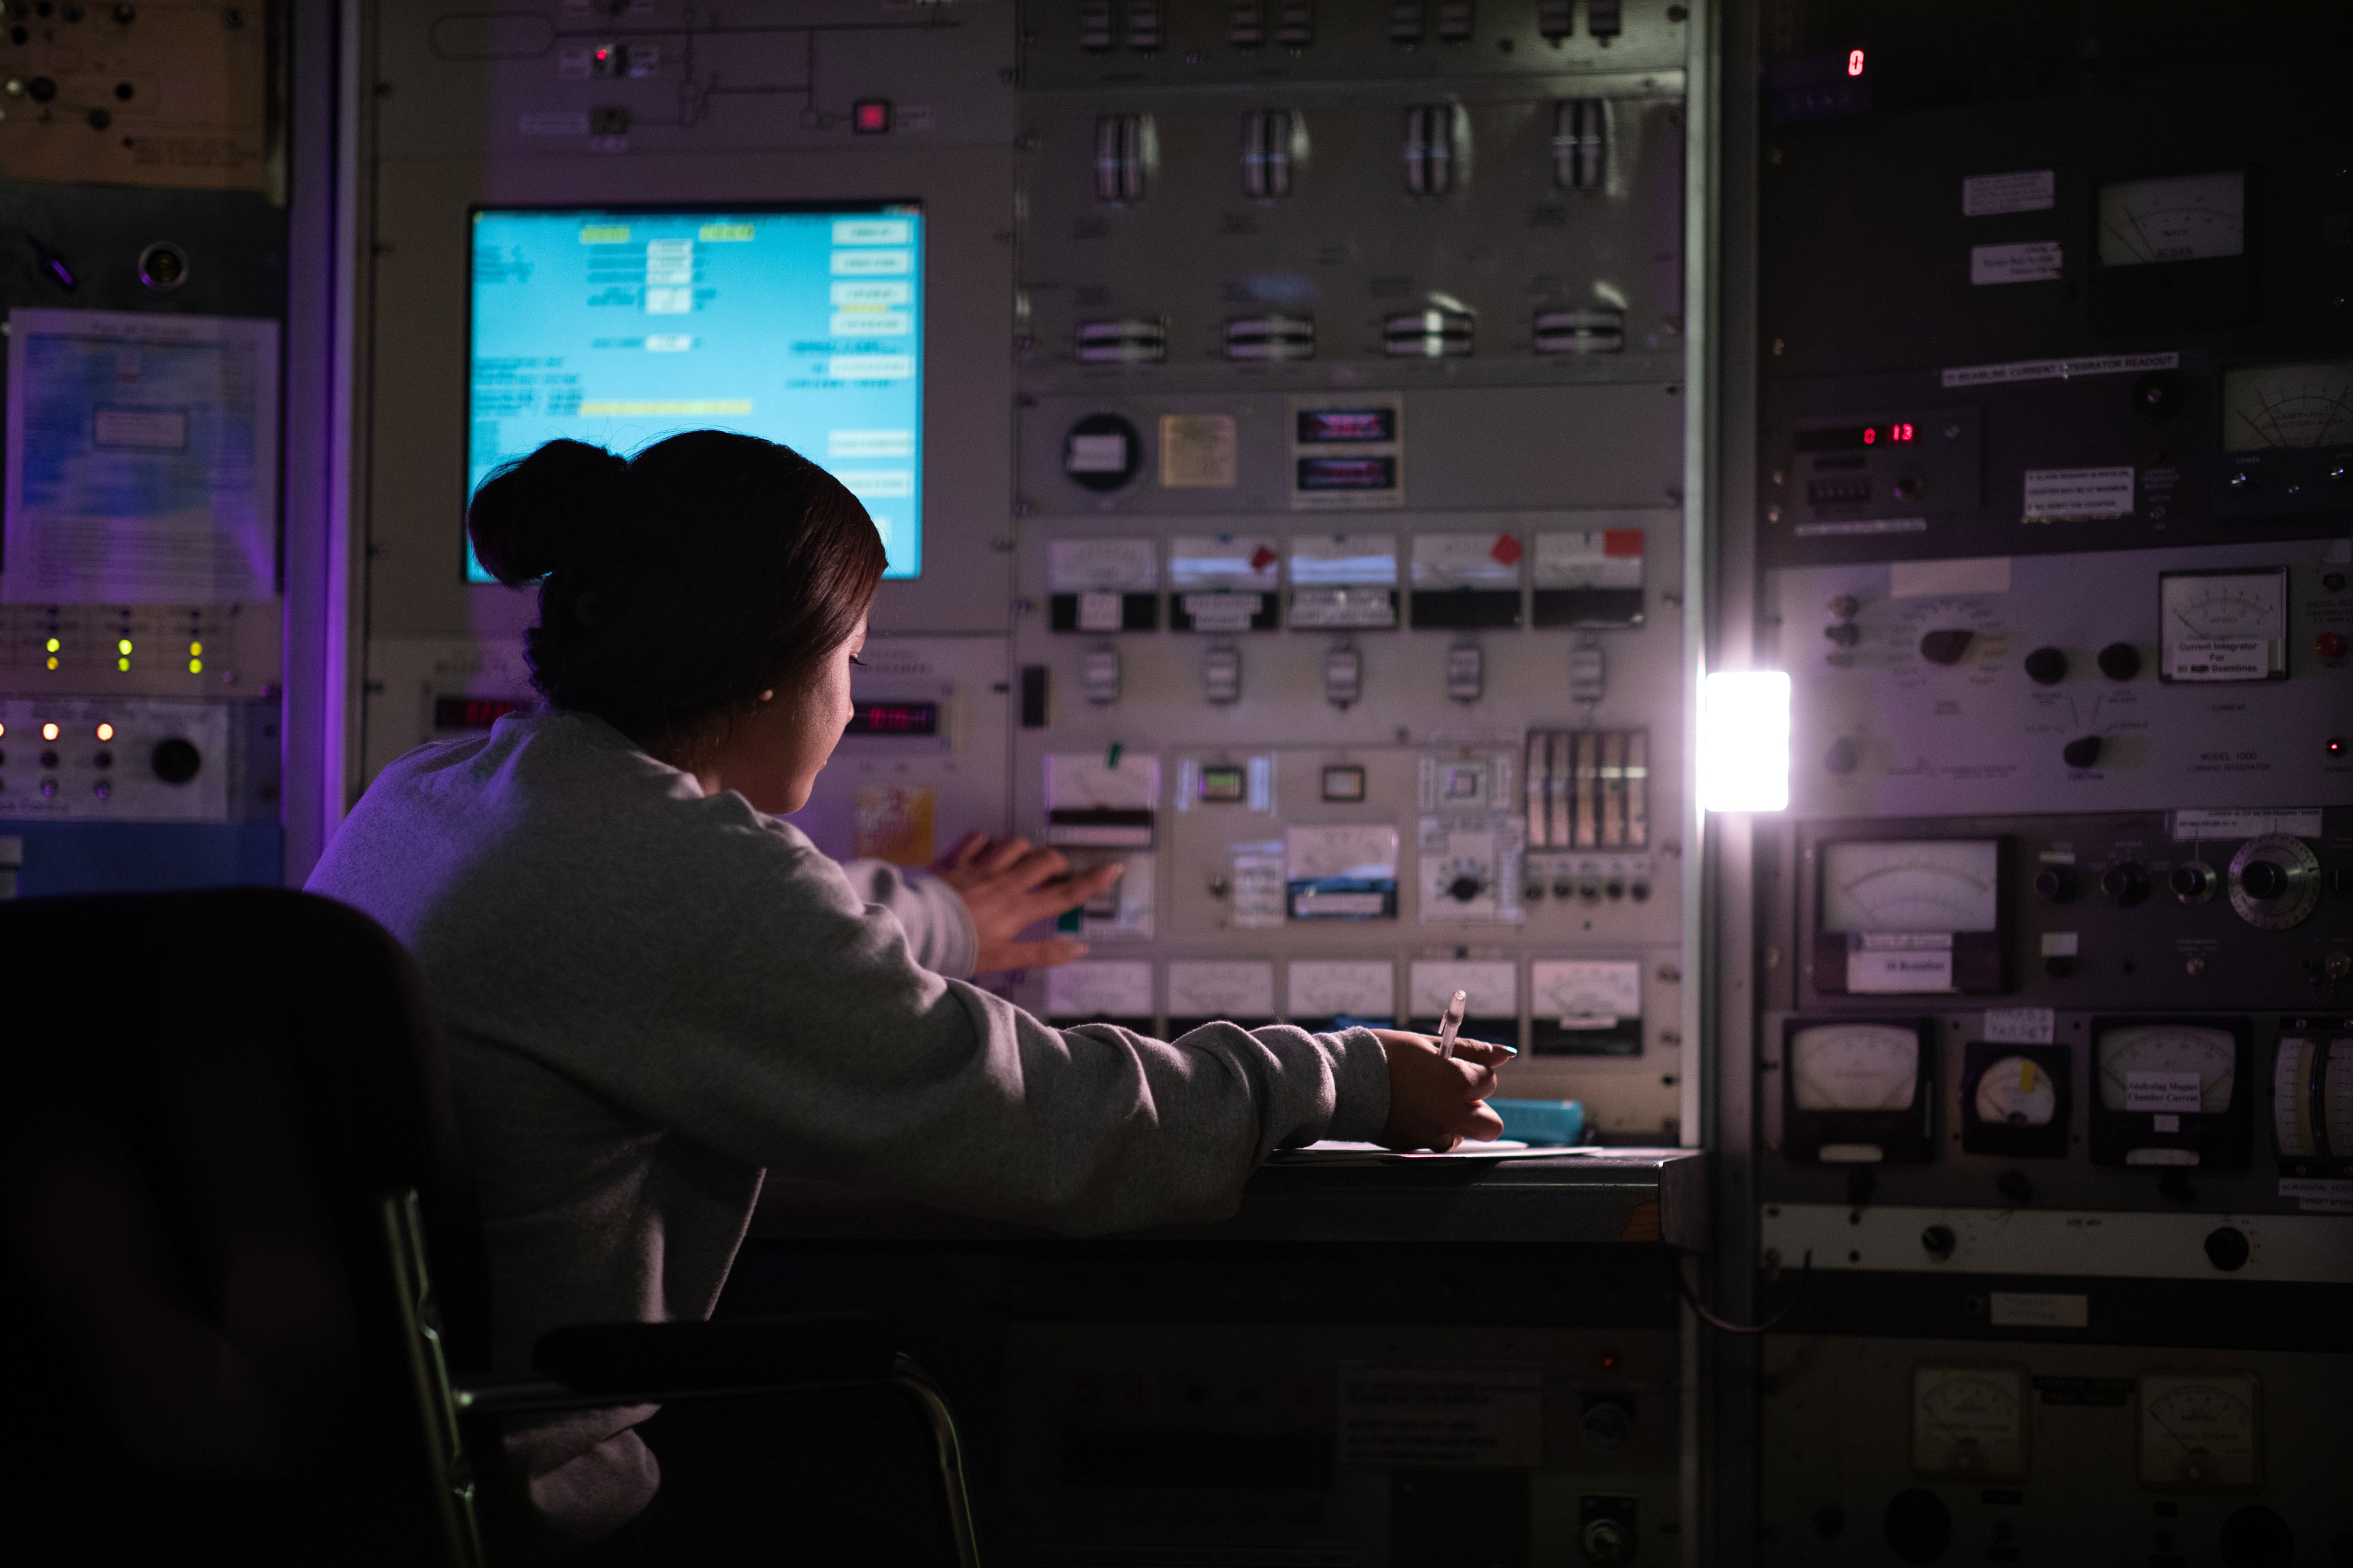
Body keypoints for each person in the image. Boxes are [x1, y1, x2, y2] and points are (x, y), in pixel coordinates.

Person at [307, 430, 1510, 1556]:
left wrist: (950, 916)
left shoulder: (440, 791)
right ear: (774, 674)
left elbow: (745, 938)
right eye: (853, 660)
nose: (848, 700)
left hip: (365, 1456)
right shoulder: (677, 873)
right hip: (531, 1498)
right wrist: (1345, 1074)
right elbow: (1043, 1123)